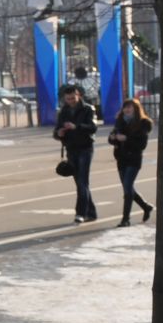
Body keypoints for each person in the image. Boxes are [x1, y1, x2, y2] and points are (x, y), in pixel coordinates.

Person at [54, 84, 98, 223]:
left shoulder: (87, 109)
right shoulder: (63, 111)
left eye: (73, 98)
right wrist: (59, 133)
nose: (71, 101)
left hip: (85, 148)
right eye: (68, 99)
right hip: (71, 149)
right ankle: (91, 212)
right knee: (79, 181)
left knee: (82, 181)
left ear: (79, 95)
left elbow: (93, 127)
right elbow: (56, 131)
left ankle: (80, 213)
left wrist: (76, 127)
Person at [107, 98, 153, 227]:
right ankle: (145, 206)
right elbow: (112, 139)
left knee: (127, 187)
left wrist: (126, 139)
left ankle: (125, 219)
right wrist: (113, 139)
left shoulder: (143, 123)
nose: (126, 110)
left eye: (129, 107)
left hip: (134, 158)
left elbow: (142, 144)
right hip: (121, 158)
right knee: (128, 187)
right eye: (125, 107)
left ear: (136, 109)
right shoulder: (120, 121)